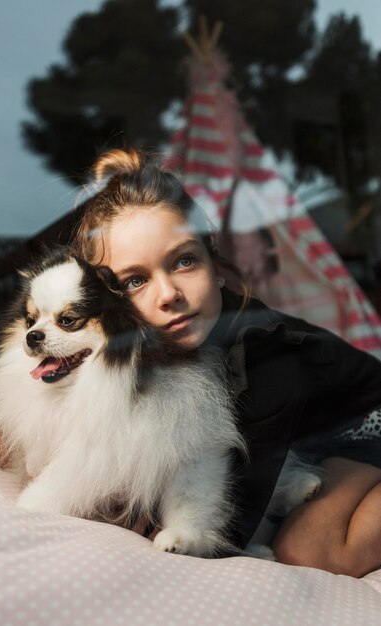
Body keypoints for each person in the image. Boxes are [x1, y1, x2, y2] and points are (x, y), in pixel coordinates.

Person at [75, 147, 381, 577]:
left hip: (365, 429)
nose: (168, 295)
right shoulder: (131, 358)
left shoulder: (267, 359)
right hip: (312, 443)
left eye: (184, 261)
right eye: (135, 281)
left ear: (215, 267)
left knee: (307, 549)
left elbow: (231, 517)